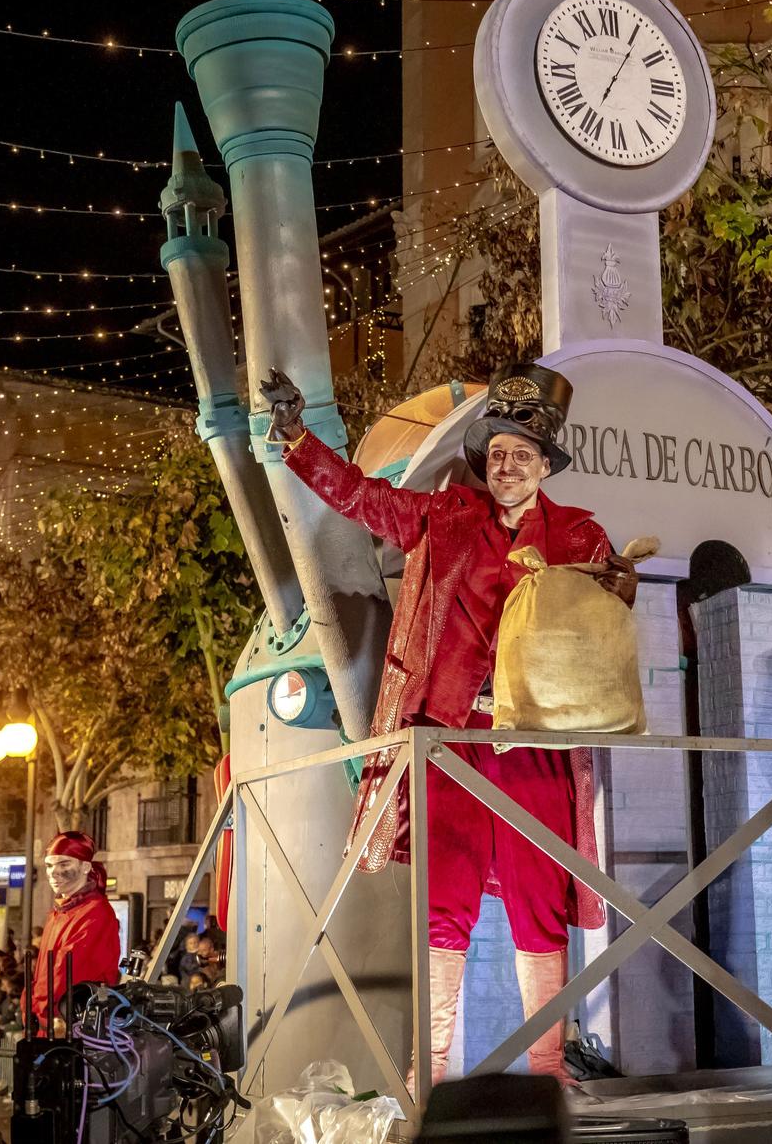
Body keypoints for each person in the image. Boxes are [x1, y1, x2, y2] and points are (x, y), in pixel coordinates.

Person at [262, 362, 637, 1087]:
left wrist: (628, 586)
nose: (506, 465)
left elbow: (610, 607)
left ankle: (550, 1066)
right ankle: (426, 1073)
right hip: (450, 747)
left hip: (535, 751)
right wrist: (298, 440)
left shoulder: (583, 533)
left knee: (538, 907)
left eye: (522, 454)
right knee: (442, 907)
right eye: (497, 452)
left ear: (544, 465)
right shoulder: (446, 516)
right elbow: (364, 499)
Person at [30, 830, 121, 1027]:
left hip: (72, 1023)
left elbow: (64, 969)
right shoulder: (58, 912)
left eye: (64, 864)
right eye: (49, 865)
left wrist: (39, 1010)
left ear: (85, 867)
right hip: (52, 1020)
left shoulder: (96, 912)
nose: (54, 872)